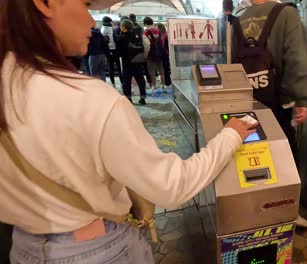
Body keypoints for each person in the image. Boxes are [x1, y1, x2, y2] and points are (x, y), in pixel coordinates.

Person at [0, 1, 256, 263]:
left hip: (25, 247)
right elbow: (171, 186)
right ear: (46, 4)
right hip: (97, 250)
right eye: (85, 4)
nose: (91, 20)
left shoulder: (9, 78)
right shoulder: (90, 99)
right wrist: (230, 135)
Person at [232, 0, 307, 228]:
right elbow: (297, 58)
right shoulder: (286, 14)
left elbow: (231, 63)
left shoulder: (238, 19)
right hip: (278, 102)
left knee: (251, 154)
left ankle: (251, 210)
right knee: (285, 155)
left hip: (247, 102)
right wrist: (302, 98)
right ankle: (287, 212)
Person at [115, 19, 148, 105]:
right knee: (140, 80)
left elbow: (119, 52)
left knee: (127, 81)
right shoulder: (138, 35)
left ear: (124, 27)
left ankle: (128, 99)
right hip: (137, 60)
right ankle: (143, 98)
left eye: (121, 26)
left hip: (127, 62)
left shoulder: (121, 38)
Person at [143, 17, 166, 93]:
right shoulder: (158, 31)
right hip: (159, 54)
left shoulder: (146, 32)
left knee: (152, 72)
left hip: (151, 55)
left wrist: (145, 55)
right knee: (161, 71)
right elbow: (162, 43)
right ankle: (163, 85)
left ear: (145, 24)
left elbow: (146, 44)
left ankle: (154, 86)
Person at [101, 16, 122, 87]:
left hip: (107, 50)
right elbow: (116, 39)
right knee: (119, 66)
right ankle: (122, 82)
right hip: (115, 49)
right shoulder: (113, 29)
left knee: (110, 66)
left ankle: (113, 83)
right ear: (109, 22)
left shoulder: (102, 29)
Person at [156, 23, 172, 89]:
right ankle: (166, 82)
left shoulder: (164, 36)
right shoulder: (163, 35)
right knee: (164, 69)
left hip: (164, 54)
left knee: (165, 69)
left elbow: (165, 46)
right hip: (164, 54)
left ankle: (167, 82)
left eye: (156, 27)